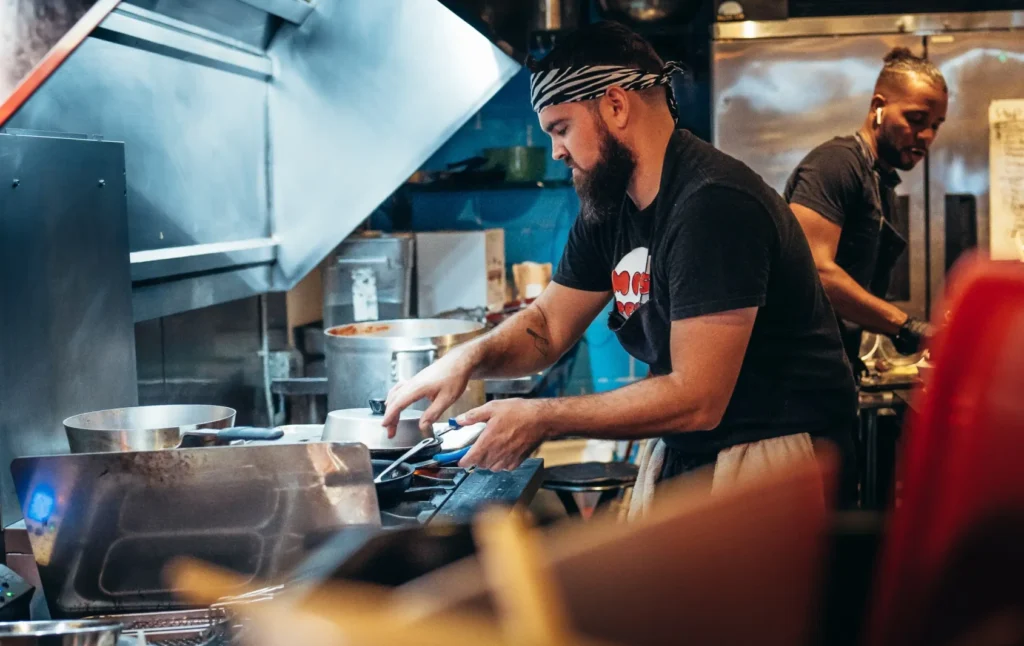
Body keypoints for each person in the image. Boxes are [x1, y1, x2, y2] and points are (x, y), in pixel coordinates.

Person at [383, 22, 856, 500]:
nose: (556, 151)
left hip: (774, 461)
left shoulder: (714, 205)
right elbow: (547, 326)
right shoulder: (612, 204)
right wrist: (466, 359)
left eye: (561, 128)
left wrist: (541, 418)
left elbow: (698, 398)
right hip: (697, 451)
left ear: (614, 104)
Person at [784, 48, 948, 376]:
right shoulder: (837, 164)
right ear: (878, 107)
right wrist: (906, 326)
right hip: (794, 380)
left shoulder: (879, 180)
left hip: (830, 369)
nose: (926, 136)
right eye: (915, 120)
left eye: (935, 125)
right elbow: (815, 270)